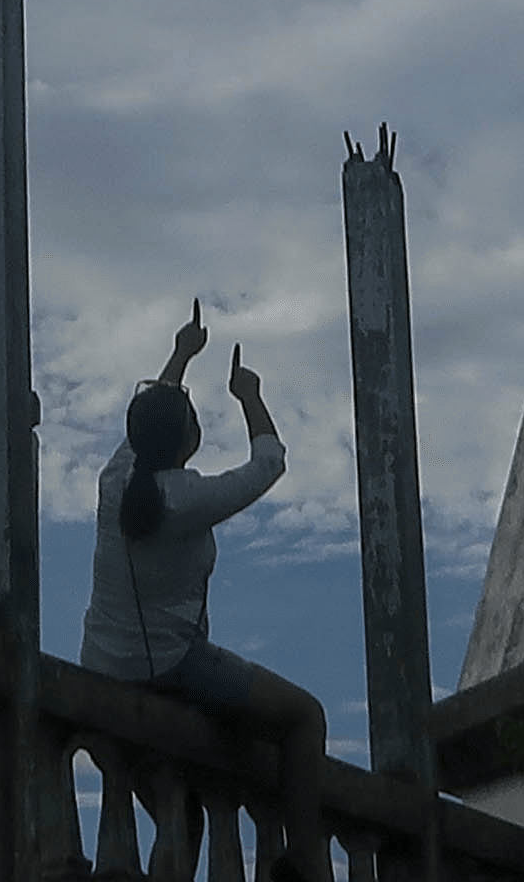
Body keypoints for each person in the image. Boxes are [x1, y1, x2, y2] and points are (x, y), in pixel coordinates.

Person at [80, 302, 328, 881]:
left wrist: (182, 354)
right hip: (171, 665)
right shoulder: (188, 499)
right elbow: (268, 463)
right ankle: (309, 863)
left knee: (181, 813)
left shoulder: (116, 481)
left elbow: (150, 423)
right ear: (190, 438)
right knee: (304, 718)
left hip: (103, 663)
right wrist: (249, 396)